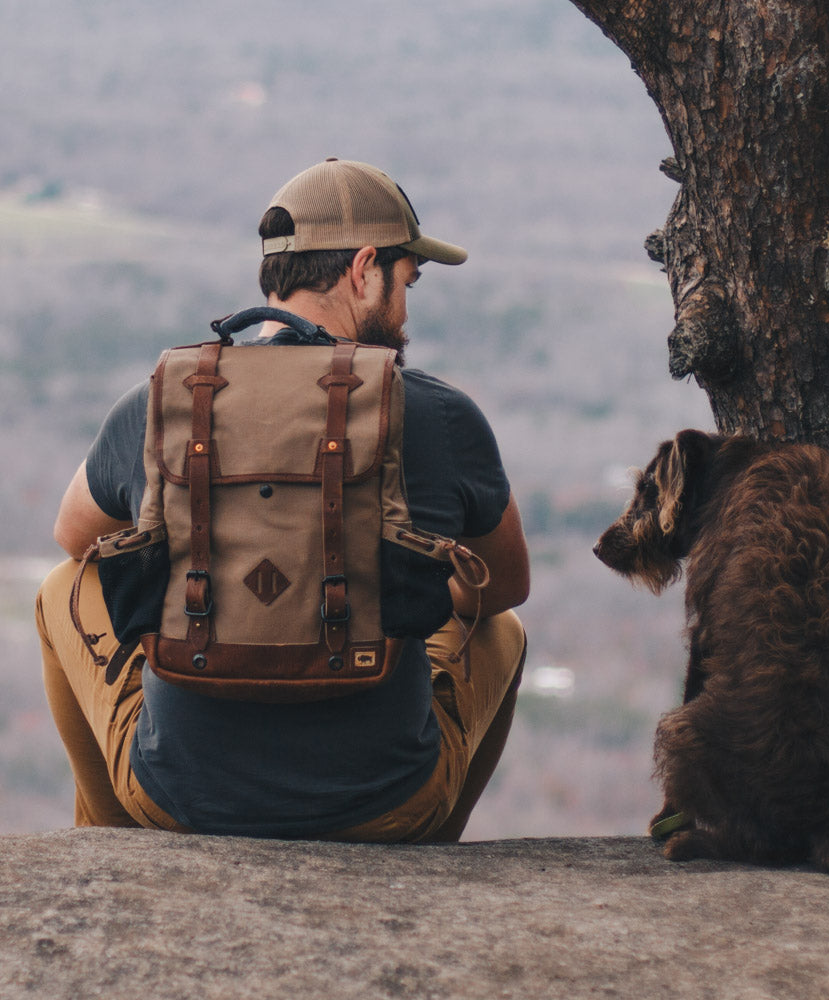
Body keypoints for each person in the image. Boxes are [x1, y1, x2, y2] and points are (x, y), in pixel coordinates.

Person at [36, 157, 530, 842]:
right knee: (500, 630)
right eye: (406, 282)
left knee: (62, 586)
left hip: (175, 795)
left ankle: (115, 844)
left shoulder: (165, 400)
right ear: (364, 269)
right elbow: (504, 585)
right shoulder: (439, 414)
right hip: (389, 805)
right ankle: (429, 847)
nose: (407, 309)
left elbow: (75, 536)